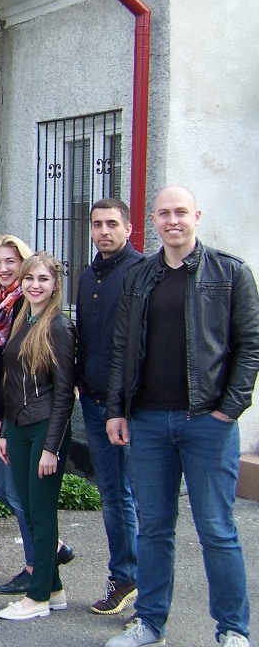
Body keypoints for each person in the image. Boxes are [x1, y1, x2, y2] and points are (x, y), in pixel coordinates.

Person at [105, 186, 259, 647]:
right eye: (163, 213)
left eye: (181, 212)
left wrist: (229, 409)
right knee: (154, 528)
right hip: (148, 421)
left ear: (197, 216)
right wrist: (117, 410)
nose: (172, 221)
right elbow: (122, 347)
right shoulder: (139, 276)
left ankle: (232, 629)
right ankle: (150, 622)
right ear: (153, 220)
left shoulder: (229, 273)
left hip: (207, 423)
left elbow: (250, 345)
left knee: (217, 530)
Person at [0, 235, 75, 595]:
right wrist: (6, 430)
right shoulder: (22, 319)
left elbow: (64, 393)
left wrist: (51, 447)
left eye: (43, 279)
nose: (35, 285)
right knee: (26, 504)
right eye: (30, 279)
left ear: (55, 286)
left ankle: (38, 594)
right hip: (18, 425)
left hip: (44, 427)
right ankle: (52, 588)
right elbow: (12, 379)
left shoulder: (59, 327)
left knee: (40, 510)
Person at [75, 199, 143, 615]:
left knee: (135, 496)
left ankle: (144, 585)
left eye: (112, 224)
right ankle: (125, 575)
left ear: (128, 228)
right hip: (94, 402)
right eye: (97, 224)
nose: (104, 231)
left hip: (131, 407)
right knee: (113, 494)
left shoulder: (142, 272)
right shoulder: (88, 276)